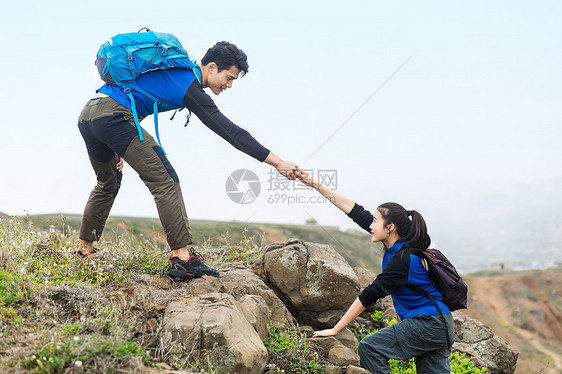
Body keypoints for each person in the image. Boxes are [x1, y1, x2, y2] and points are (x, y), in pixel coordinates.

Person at [76, 41, 299, 279]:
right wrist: (278, 163)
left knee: (107, 182)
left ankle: (84, 249)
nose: (230, 85)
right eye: (229, 77)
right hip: (114, 117)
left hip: (90, 114)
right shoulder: (188, 85)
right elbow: (232, 133)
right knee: (165, 181)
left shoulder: (176, 72)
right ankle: (182, 258)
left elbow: (131, 94)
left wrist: (117, 143)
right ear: (212, 67)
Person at [297, 170, 454, 373]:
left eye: (374, 221)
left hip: (428, 324)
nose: (370, 226)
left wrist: (336, 328)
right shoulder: (399, 244)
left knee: (370, 348)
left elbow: (370, 294)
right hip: (440, 324)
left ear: (390, 227)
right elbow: (353, 210)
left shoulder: (402, 261)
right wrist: (313, 183)